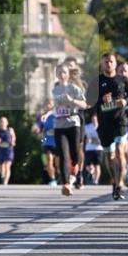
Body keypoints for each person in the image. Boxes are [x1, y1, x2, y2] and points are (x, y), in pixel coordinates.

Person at [95, 52, 128, 201]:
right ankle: (114, 181)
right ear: (102, 64)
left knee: (119, 150)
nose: (109, 64)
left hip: (120, 121)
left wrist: (125, 101)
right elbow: (88, 101)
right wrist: (101, 100)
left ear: (115, 64)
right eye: (106, 62)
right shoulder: (97, 81)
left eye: (111, 61)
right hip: (104, 123)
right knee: (109, 156)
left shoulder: (123, 80)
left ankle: (119, 184)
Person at [51, 63, 86, 196]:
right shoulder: (54, 90)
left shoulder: (74, 88)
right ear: (56, 74)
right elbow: (52, 106)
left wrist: (72, 100)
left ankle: (75, 169)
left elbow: (84, 104)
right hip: (59, 125)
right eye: (59, 72)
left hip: (73, 124)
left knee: (74, 155)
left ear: (68, 74)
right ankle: (66, 184)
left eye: (64, 72)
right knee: (63, 155)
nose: (62, 74)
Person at [63, 58, 87, 190]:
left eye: (71, 66)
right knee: (66, 149)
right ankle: (69, 175)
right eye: (67, 67)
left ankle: (80, 174)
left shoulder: (82, 84)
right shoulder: (59, 83)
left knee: (78, 148)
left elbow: (87, 103)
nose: (69, 69)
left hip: (78, 117)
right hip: (64, 118)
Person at [35, 99, 57, 185]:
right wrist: (37, 130)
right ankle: (53, 179)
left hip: (58, 142)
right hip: (47, 143)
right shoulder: (43, 117)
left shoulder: (57, 115)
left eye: (50, 104)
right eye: (47, 104)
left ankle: (61, 177)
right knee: (49, 161)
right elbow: (39, 128)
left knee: (58, 164)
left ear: (53, 105)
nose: (48, 105)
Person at [83, 113, 104, 185]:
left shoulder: (101, 127)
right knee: (88, 165)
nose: (94, 120)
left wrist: (94, 140)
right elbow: (84, 137)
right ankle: (91, 173)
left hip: (99, 149)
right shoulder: (87, 127)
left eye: (95, 119)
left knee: (97, 165)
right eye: (93, 119)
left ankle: (96, 180)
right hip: (89, 148)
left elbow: (102, 139)